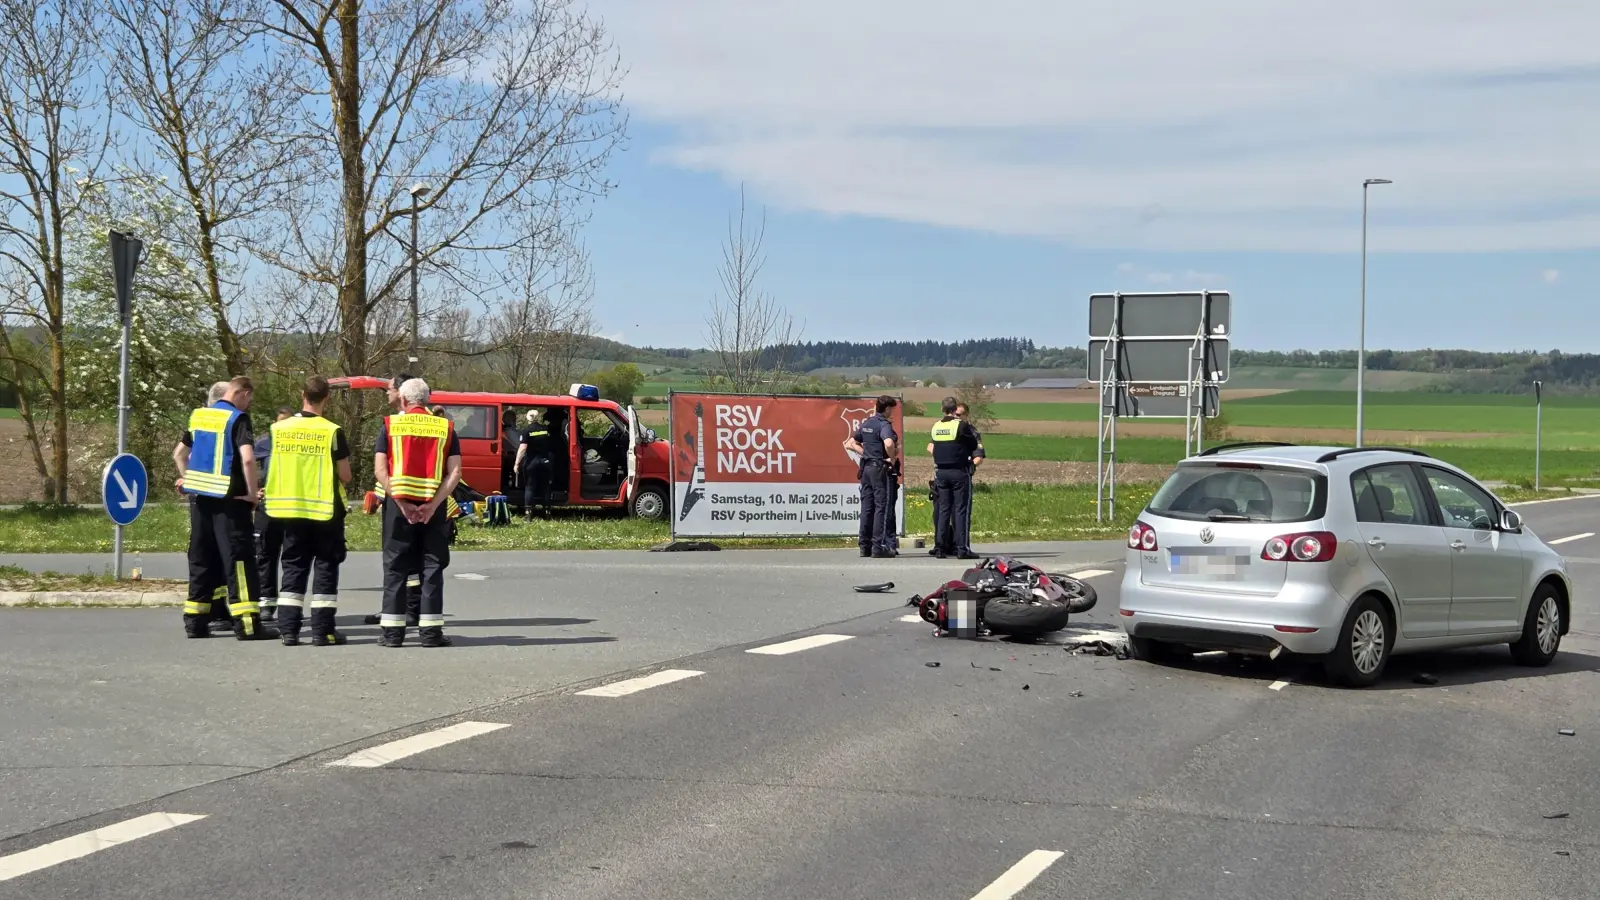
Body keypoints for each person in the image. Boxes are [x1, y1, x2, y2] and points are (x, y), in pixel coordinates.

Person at [174, 375, 275, 640]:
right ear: (242, 393)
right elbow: (249, 460)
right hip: (230, 503)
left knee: (202, 559)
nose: (248, 405)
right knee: (239, 561)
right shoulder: (237, 419)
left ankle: (195, 623)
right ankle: (248, 626)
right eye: (249, 399)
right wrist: (253, 494)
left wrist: (188, 480)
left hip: (200, 502)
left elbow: (179, 455)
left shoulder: (199, 416)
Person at [372, 377, 463, 648]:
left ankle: (392, 634)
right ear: (428, 400)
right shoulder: (446, 427)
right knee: (432, 567)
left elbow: (380, 470)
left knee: (396, 568)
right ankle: (431, 634)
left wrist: (402, 504)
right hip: (433, 510)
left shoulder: (390, 425)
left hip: (399, 510)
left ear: (402, 400)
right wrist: (433, 505)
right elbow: (455, 472)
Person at [263, 376, 353, 646]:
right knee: (325, 568)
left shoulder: (279, 429)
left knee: (293, 567)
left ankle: (288, 631)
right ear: (327, 398)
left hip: (289, 509)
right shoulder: (332, 431)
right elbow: (346, 475)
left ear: (302, 394)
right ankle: (322, 632)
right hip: (324, 510)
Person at [927, 396, 983, 559]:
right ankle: (962, 549)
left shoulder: (936, 426)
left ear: (942, 409)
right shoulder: (962, 426)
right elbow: (973, 445)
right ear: (954, 410)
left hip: (941, 472)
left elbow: (932, 446)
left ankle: (940, 548)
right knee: (960, 510)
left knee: (943, 510)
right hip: (958, 471)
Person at [253, 406, 295, 623]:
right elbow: (246, 464)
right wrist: (253, 488)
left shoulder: (298, 444)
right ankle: (266, 603)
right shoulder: (263, 443)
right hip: (267, 508)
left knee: (291, 558)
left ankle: (289, 607)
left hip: (292, 508)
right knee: (266, 555)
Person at [843, 395, 899, 558]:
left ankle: (864, 545)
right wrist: (891, 459)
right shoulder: (884, 424)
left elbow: (851, 442)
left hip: (866, 468)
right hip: (879, 469)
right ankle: (878, 546)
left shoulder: (867, 423)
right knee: (881, 506)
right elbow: (888, 443)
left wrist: (866, 453)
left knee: (867, 507)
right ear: (887, 408)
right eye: (891, 409)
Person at [954, 401, 986, 554]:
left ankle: (962, 546)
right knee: (942, 513)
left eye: (959, 415)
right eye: (955, 414)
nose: (956, 417)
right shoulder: (946, 428)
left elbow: (979, 456)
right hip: (945, 474)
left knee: (962, 512)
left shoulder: (971, 432)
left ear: (966, 416)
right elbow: (930, 447)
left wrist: (969, 467)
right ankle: (944, 545)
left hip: (962, 474)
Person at [514, 407, 555, 519]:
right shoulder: (546, 429)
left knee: (530, 487)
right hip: (545, 462)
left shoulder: (526, 431)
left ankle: (528, 514)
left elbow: (522, 448)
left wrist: (516, 464)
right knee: (546, 487)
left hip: (532, 462)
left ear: (528, 418)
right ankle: (547, 513)